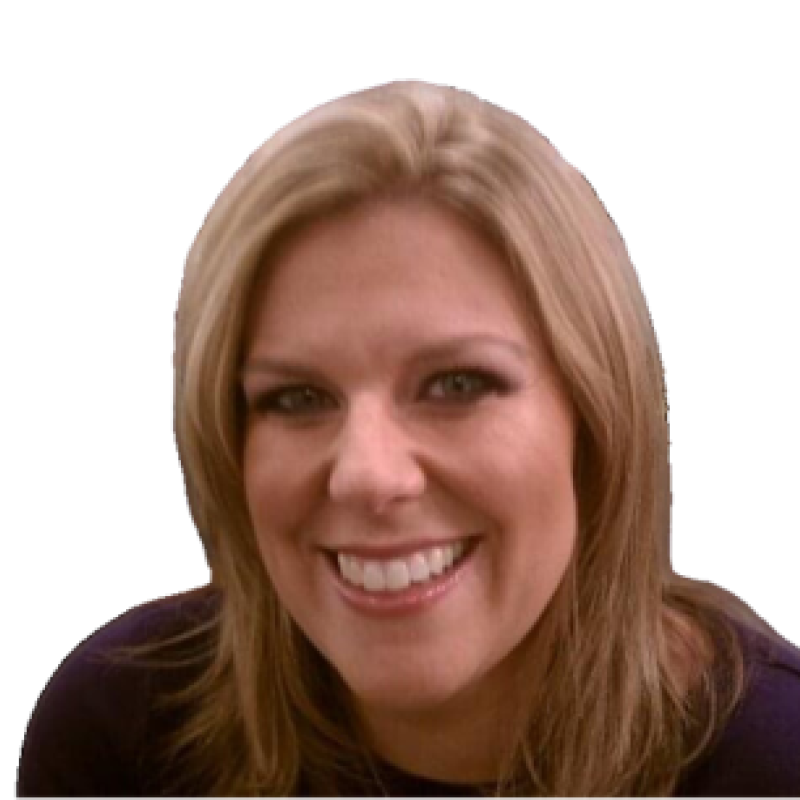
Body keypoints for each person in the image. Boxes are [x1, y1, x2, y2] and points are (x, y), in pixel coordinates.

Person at [19, 79, 800, 800]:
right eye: (296, 398)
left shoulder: (774, 765)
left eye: (457, 384)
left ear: (596, 421)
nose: (368, 474)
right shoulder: (124, 730)